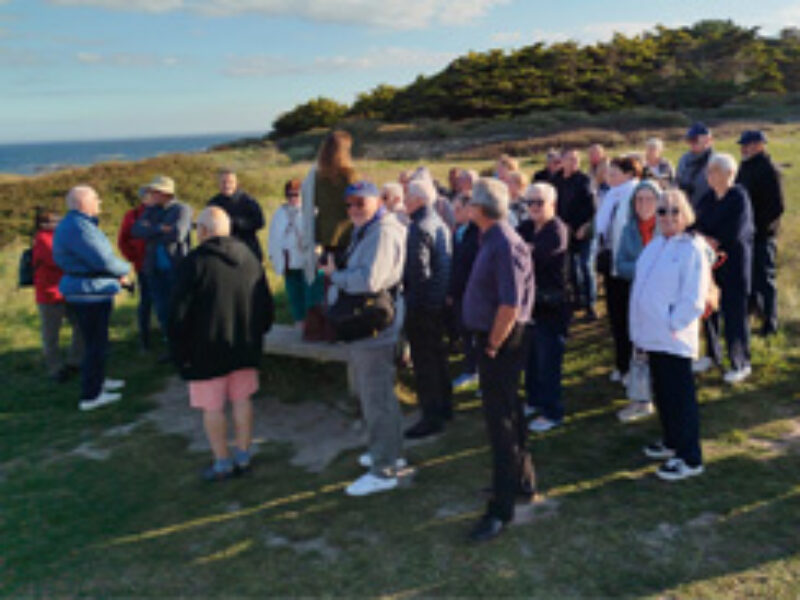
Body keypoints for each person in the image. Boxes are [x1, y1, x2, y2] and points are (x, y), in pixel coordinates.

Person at [168, 207, 274, 481]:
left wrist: (179, 351)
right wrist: (258, 332)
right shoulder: (248, 257)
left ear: (203, 231)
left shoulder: (194, 263)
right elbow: (265, 303)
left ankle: (222, 462)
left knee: (212, 407)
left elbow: (177, 313)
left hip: (205, 349)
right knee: (242, 400)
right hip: (244, 344)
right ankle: (243, 454)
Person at [321, 181, 408, 497]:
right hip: (371, 324)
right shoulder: (371, 228)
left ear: (377, 202)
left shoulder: (382, 231)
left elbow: (369, 280)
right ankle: (390, 452)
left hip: (374, 326)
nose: (354, 209)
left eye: (361, 203)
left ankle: (384, 469)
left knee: (375, 397)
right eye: (350, 204)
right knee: (380, 393)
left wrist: (335, 275)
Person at [463, 178, 536, 542]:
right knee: (511, 412)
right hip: (498, 340)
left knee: (501, 422)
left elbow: (509, 304)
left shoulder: (504, 243)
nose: (465, 206)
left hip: (502, 342)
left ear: (479, 208)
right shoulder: (492, 238)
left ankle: (501, 507)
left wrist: (492, 343)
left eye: (469, 202)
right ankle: (522, 482)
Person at [629, 189, 710, 481]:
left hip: (673, 337)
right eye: (662, 211)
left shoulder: (692, 248)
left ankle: (690, 457)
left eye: (674, 210)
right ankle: (672, 440)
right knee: (663, 393)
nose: (667, 217)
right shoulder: (655, 244)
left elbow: (694, 298)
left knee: (680, 397)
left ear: (685, 213)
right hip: (650, 335)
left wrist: (672, 325)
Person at [52, 186, 130, 411]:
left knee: (97, 341)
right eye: (96, 198)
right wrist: (124, 270)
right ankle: (91, 395)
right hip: (88, 293)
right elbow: (103, 260)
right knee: (95, 344)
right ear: (82, 203)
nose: (100, 202)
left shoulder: (77, 224)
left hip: (88, 290)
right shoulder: (79, 227)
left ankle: (98, 382)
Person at [696, 153, 755, 384]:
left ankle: (741, 362)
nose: (708, 175)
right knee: (709, 311)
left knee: (734, 314)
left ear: (729, 173)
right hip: (711, 267)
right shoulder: (708, 197)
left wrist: (712, 239)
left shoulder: (739, 197)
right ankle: (712, 354)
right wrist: (702, 236)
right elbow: (695, 222)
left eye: (714, 171)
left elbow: (736, 231)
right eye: (708, 171)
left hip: (734, 265)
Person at [517, 183, 570, 433]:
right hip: (530, 303)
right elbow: (515, 250)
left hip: (552, 304)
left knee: (549, 358)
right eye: (530, 202)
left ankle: (552, 411)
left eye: (540, 202)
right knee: (531, 356)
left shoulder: (557, 229)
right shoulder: (526, 227)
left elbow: (537, 257)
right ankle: (534, 399)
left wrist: (524, 252)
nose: (534, 207)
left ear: (552, 204)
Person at [403, 178, 453, 439]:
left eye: (408, 197)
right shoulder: (439, 223)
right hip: (438, 302)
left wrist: (412, 301)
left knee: (425, 364)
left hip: (422, 306)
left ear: (419, 200)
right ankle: (445, 407)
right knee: (438, 357)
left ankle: (431, 417)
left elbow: (418, 273)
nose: (404, 201)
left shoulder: (418, 227)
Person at [300, 131, 357, 340]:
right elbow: (354, 206)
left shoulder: (316, 175)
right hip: (348, 237)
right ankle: (341, 331)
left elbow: (310, 206)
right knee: (347, 287)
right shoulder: (350, 175)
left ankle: (326, 330)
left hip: (324, 237)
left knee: (328, 287)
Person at [613, 180, 662, 422]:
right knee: (639, 350)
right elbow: (620, 264)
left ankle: (661, 394)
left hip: (663, 300)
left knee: (661, 350)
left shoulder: (667, 228)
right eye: (639, 200)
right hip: (638, 297)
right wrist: (645, 266)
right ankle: (642, 400)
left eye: (649, 199)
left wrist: (646, 266)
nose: (644, 204)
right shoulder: (628, 229)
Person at [131, 175, 193, 358]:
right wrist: (160, 228)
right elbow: (136, 230)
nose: (152, 194)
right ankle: (172, 348)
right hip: (154, 269)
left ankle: (186, 347)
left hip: (176, 268)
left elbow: (177, 234)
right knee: (162, 310)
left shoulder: (182, 209)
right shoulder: (150, 210)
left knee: (180, 309)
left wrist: (152, 229)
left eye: (155, 191)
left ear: (166, 193)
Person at [595, 156, 642, 383]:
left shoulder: (636, 195)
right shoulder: (610, 196)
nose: (609, 176)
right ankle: (621, 363)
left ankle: (634, 366)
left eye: (615, 173)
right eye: (608, 173)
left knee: (630, 317)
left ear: (630, 175)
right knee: (616, 316)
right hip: (611, 264)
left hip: (628, 265)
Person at [735, 130, 784, 337]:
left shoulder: (768, 169)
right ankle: (754, 314)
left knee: (765, 279)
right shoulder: (744, 167)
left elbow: (777, 206)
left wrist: (757, 226)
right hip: (745, 234)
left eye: (748, 145)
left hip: (762, 235)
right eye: (743, 145)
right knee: (750, 277)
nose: (744, 148)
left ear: (760, 146)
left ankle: (770, 322)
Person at [32, 209, 84, 382]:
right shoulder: (42, 240)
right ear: (43, 224)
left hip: (65, 290)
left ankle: (74, 360)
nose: (59, 222)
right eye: (54, 220)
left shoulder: (57, 237)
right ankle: (56, 369)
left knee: (80, 324)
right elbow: (58, 260)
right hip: (50, 294)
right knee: (51, 334)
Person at [556, 149, 597, 319]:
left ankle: (590, 305)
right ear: (562, 161)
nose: (574, 162)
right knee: (570, 268)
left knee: (585, 266)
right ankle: (575, 301)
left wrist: (584, 227)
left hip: (582, 230)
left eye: (576, 159)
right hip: (565, 230)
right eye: (570, 159)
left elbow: (592, 207)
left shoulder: (584, 180)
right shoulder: (556, 180)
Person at [448, 194, 481, 389]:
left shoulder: (476, 233)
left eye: (458, 209)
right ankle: (471, 367)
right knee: (466, 332)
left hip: (472, 291)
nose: (454, 213)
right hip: (460, 291)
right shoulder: (461, 231)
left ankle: (475, 371)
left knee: (474, 334)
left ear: (470, 210)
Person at [268, 179, 307, 327]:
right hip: (288, 262)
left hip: (306, 262)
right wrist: (274, 257)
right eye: (289, 195)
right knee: (294, 296)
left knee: (309, 297)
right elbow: (273, 238)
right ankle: (299, 324)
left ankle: (312, 327)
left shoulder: (310, 211)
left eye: (296, 195)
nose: (293, 199)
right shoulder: (280, 213)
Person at [118, 187, 153, 351]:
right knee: (146, 302)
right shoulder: (132, 216)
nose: (150, 198)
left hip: (163, 265)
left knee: (166, 301)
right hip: (143, 265)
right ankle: (144, 338)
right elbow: (123, 240)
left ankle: (169, 336)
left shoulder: (165, 212)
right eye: (146, 195)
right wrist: (135, 257)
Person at [207, 168, 266, 261]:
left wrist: (236, 223)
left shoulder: (248, 201)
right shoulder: (213, 203)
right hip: (222, 253)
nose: (227, 185)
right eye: (223, 182)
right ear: (218, 184)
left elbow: (260, 222)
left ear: (236, 183)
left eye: (230, 182)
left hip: (247, 250)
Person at [676, 122, 713, 208]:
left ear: (708, 140)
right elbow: (677, 181)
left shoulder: (715, 161)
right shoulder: (684, 159)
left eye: (695, 140)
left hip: (708, 211)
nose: (691, 143)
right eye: (689, 140)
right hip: (685, 210)